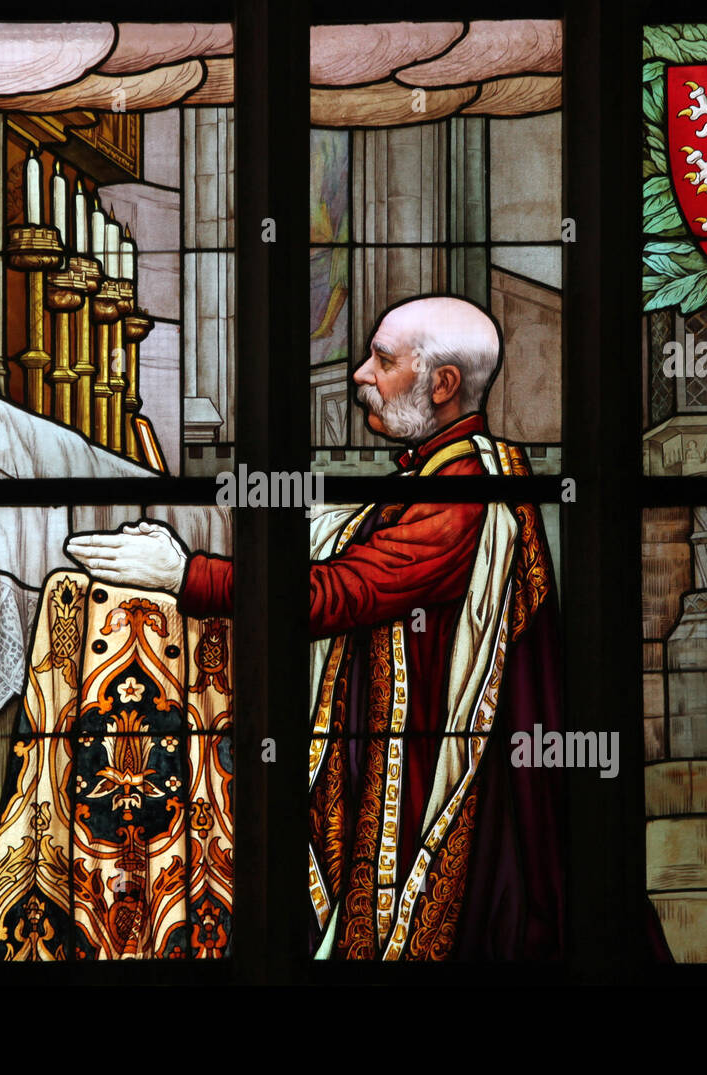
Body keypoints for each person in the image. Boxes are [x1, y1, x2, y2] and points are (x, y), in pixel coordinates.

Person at [67, 295, 564, 960]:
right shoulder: (438, 475)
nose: (359, 373)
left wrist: (187, 576)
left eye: (383, 361)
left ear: (444, 386)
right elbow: (346, 552)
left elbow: (340, 591)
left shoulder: (466, 495)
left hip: (436, 810)